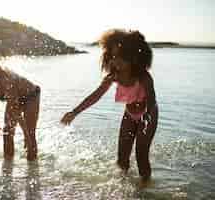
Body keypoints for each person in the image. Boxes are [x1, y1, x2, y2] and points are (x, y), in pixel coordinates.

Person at [61, 29, 158, 186]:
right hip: (130, 114)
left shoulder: (143, 76)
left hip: (148, 115)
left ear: (132, 58)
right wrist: (74, 112)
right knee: (121, 159)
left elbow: (152, 98)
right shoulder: (114, 76)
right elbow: (95, 96)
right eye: (113, 57)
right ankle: (124, 188)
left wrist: (147, 115)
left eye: (120, 58)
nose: (115, 61)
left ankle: (145, 189)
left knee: (141, 156)